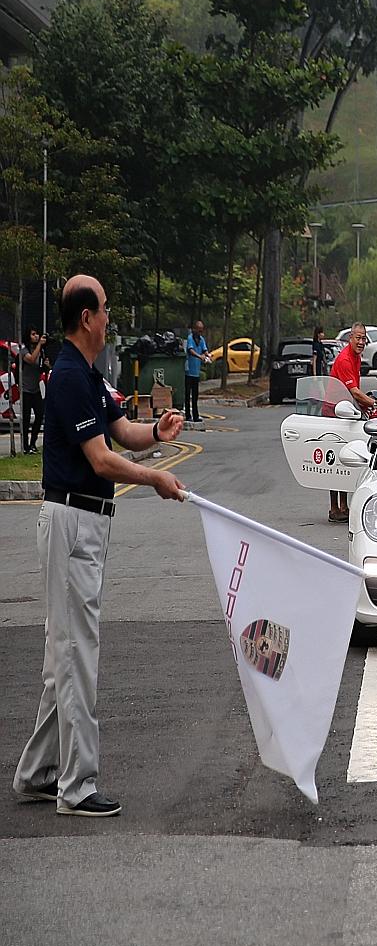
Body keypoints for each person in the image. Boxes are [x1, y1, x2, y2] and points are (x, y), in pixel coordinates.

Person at [13, 275, 186, 818]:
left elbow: (122, 432)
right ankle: (77, 786)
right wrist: (154, 478)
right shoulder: (68, 375)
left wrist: (156, 433)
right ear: (85, 317)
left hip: (85, 524)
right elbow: (101, 459)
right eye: (105, 309)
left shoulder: (89, 373)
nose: (110, 318)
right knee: (76, 655)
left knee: (62, 656)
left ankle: (38, 773)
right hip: (71, 521)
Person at [328, 322, 377, 523]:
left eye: (364, 338)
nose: (361, 342)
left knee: (345, 457)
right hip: (334, 412)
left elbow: (354, 392)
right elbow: (355, 392)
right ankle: (334, 508)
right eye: (358, 338)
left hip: (346, 410)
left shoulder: (356, 357)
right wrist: (375, 404)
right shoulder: (345, 359)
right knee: (335, 460)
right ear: (350, 338)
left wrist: (364, 406)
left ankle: (343, 506)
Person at [19, 327, 48, 453]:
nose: (36, 336)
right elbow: (31, 360)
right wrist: (40, 345)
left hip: (35, 389)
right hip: (25, 389)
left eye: (37, 334)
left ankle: (33, 443)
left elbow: (40, 368)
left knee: (40, 414)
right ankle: (25, 446)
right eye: (33, 334)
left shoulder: (40, 351)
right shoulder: (24, 351)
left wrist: (46, 365)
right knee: (26, 419)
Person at [184, 320, 212, 424]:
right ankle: (188, 415)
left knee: (195, 395)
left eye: (201, 331)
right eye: (198, 330)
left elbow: (204, 349)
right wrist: (200, 356)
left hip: (196, 371)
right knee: (187, 394)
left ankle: (196, 415)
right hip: (189, 371)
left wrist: (207, 355)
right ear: (194, 329)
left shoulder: (201, 339)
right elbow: (190, 350)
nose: (200, 333)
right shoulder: (190, 338)